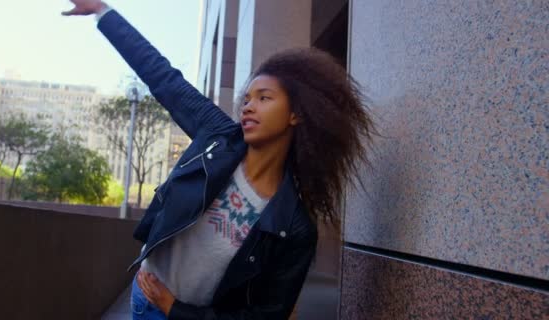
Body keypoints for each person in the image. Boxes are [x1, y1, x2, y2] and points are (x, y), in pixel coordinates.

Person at [63, 1, 374, 319]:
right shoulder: (218, 136)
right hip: (144, 300)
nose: (249, 106)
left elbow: (264, 317)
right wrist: (103, 12)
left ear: (296, 114)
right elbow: (163, 78)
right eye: (248, 98)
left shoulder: (294, 228)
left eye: (264, 98)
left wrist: (176, 309)